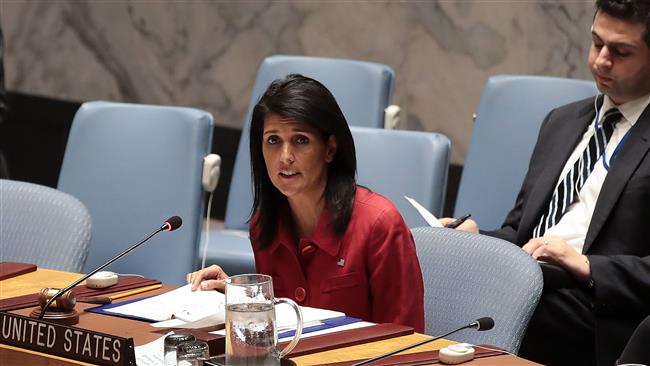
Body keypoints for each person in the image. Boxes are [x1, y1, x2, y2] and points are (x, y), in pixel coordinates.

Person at [442, 1, 650, 365]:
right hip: (531, 279)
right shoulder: (562, 121)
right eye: (597, 43)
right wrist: (477, 239)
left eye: (620, 51)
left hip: (597, 307)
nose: (601, 60)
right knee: (429, 265)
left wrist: (586, 264)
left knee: (498, 302)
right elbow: (520, 231)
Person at [188, 74, 425, 332]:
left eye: (301, 140)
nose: (285, 157)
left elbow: (406, 340)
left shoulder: (380, 224)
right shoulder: (264, 224)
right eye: (273, 140)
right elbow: (284, 322)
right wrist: (242, 297)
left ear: (330, 149)